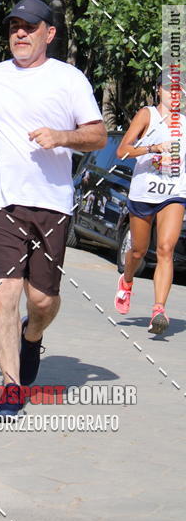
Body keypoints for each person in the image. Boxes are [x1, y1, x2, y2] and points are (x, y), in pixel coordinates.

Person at [0, 0, 107, 419]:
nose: (20, 33)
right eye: (14, 26)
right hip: (0, 201)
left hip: (52, 203)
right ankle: (11, 384)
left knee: (40, 300)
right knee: (4, 292)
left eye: (29, 26)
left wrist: (62, 137)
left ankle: (33, 336)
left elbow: (97, 135)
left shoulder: (69, 79)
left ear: (49, 34)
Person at [114, 71, 186, 334]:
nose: (174, 94)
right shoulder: (147, 115)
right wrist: (153, 149)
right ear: (158, 90)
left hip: (174, 193)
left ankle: (159, 310)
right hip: (144, 192)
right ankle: (128, 280)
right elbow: (122, 151)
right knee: (138, 252)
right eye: (169, 88)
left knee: (166, 248)